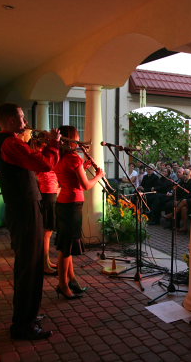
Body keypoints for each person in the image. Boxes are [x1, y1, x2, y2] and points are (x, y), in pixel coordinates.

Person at [0, 103, 59, 340]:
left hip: (25, 209)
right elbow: (44, 165)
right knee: (29, 268)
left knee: (30, 265)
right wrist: (53, 145)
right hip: (25, 211)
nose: (25, 120)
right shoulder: (11, 143)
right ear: (11, 120)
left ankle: (28, 316)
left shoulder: (10, 141)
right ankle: (23, 325)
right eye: (21, 117)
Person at [54, 125, 105, 300]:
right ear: (71, 139)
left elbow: (69, 174)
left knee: (65, 246)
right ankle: (62, 285)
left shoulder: (60, 157)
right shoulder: (74, 158)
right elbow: (85, 186)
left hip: (63, 204)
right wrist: (99, 175)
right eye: (77, 137)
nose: (79, 140)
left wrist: (84, 165)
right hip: (72, 205)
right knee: (65, 250)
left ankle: (72, 280)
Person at [31, 131, 59, 275]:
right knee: (47, 232)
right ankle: (44, 265)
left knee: (48, 231)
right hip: (47, 192)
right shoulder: (41, 153)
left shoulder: (43, 153)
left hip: (50, 191)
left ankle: (46, 261)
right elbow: (48, 169)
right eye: (48, 138)